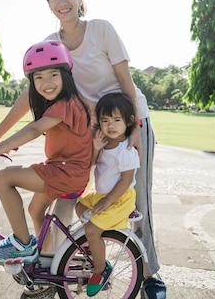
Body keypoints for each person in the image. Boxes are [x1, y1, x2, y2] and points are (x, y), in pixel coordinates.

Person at [0, 0, 166, 298]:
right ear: (49, 4)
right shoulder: (51, 46)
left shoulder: (101, 30)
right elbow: (29, 99)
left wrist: (134, 125)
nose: (62, 1)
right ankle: (49, 276)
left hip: (128, 125)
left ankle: (149, 273)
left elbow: (126, 80)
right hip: (91, 132)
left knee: (136, 201)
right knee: (65, 199)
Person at [0, 40, 92, 268]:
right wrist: (1, 143)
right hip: (66, 170)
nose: (46, 82)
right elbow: (40, 129)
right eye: (38, 77)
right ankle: (45, 259)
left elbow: (35, 129)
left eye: (53, 75)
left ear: (65, 76)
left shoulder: (66, 104)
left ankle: (21, 244)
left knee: (5, 178)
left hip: (66, 173)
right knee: (35, 209)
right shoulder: (63, 103)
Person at [75, 93, 140, 296]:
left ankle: (100, 271)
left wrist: (108, 201)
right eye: (105, 120)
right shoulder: (105, 143)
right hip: (101, 195)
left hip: (119, 198)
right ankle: (97, 247)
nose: (110, 125)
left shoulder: (126, 150)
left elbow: (127, 180)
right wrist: (95, 148)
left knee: (92, 231)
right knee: (78, 206)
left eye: (116, 120)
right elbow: (94, 164)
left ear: (128, 121)